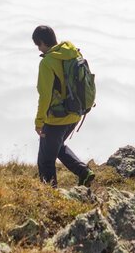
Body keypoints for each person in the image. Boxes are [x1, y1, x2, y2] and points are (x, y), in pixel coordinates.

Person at [32, 25, 95, 187]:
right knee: (57, 147)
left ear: (42, 42)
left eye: (38, 45)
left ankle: (51, 197)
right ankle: (84, 173)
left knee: (45, 160)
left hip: (57, 118)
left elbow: (45, 96)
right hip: (76, 113)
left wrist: (39, 122)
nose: (39, 49)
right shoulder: (72, 53)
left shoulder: (47, 62)